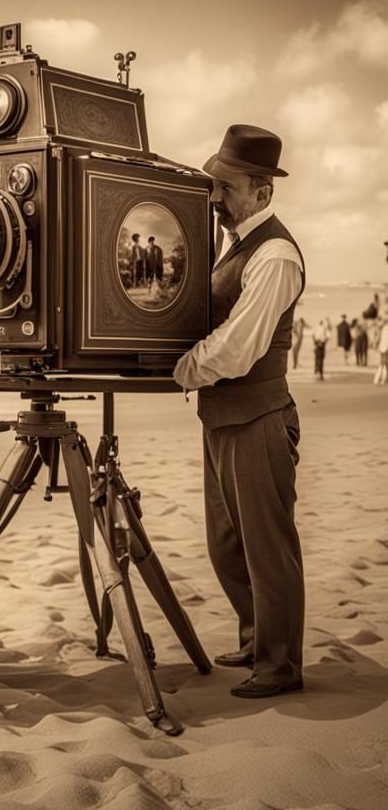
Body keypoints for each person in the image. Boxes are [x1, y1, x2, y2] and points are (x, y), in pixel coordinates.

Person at [172, 124, 305, 699]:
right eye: (212, 184)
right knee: (227, 544)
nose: (215, 198)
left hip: (259, 417)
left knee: (267, 548)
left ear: (262, 193)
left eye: (226, 188)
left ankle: (280, 667)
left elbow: (239, 345)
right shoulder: (236, 245)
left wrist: (178, 369)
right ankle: (255, 642)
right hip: (224, 417)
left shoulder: (274, 254)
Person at [375, 317, 388, 385]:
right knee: (384, 363)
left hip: (384, 347)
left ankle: (381, 378)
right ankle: (383, 378)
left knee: (383, 363)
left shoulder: (384, 328)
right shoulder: (383, 328)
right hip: (384, 347)